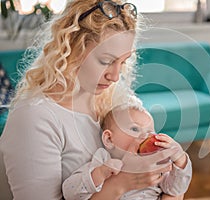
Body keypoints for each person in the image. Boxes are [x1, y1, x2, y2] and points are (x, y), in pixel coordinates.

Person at [0, 0, 181, 199]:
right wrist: (121, 184)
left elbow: (168, 188)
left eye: (123, 62)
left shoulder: (114, 101)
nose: (115, 76)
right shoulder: (34, 118)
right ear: (72, 48)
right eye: (106, 61)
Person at [62, 97, 192, 200]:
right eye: (135, 129)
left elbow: (175, 190)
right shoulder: (103, 160)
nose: (145, 136)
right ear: (109, 139)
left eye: (150, 132)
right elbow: (70, 193)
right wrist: (99, 174)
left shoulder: (155, 164)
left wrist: (180, 160)